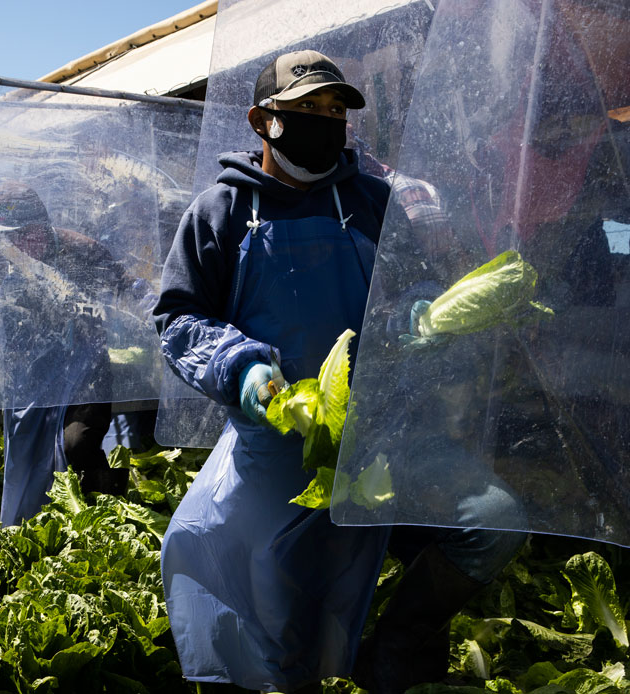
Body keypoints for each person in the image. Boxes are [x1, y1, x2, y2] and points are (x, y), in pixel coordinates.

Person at [153, 51, 392, 693]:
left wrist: (418, 312)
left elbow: (405, 290)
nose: (325, 122)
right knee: (219, 556)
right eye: (307, 110)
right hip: (267, 438)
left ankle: (361, 665)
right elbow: (177, 318)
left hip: (364, 440)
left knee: (346, 575)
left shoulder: (372, 201)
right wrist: (241, 369)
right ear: (264, 121)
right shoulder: (221, 211)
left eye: (335, 111)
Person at [0, 182, 137, 523]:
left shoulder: (84, 252)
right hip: (29, 376)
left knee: (77, 445)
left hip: (86, 369)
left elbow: (132, 299)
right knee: (26, 454)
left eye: (17, 235)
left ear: (39, 228)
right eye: (1, 237)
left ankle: (104, 517)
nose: (10, 245)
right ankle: (38, 523)